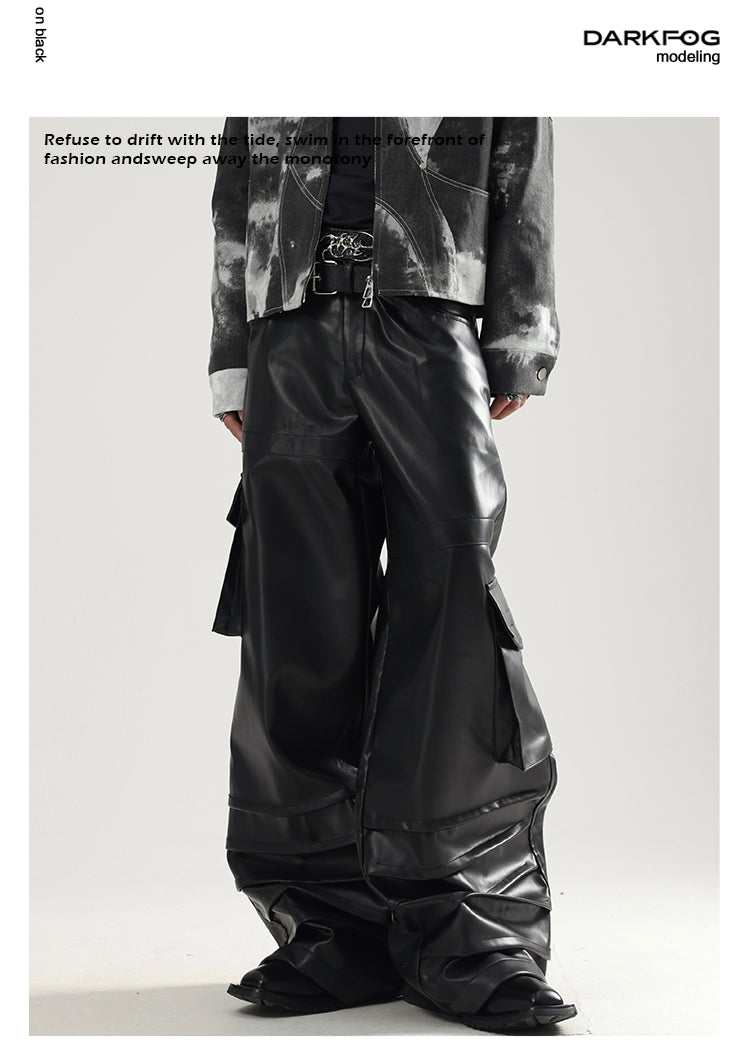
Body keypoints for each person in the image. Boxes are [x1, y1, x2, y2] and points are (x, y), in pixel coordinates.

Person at [208, 117, 577, 1033]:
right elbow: (236, 181)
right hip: (289, 323)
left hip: (429, 314)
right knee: (297, 621)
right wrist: (233, 351)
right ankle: (330, 926)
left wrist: (520, 332)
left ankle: (472, 933)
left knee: (454, 612)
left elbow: (521, 163)